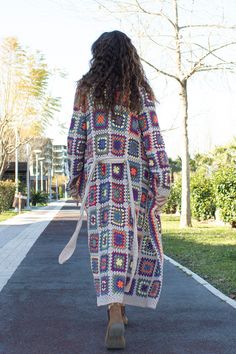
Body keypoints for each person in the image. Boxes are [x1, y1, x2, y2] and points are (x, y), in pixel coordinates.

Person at [58, 30, 171, 350]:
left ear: (98, 56)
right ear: (129, 56)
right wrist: (162, 178)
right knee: (131, 243)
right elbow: (153, 136)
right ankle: (122, 302)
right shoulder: (139, 90)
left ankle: (114, 308)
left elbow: (75, 138)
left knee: (106, 245)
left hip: (100, 182)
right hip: (134, 180)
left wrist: (76, 179)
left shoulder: (86, 90)